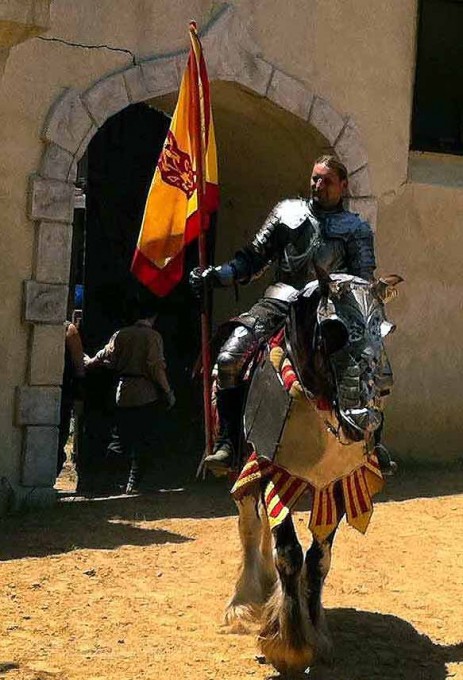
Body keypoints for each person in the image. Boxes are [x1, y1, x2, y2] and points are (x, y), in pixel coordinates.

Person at [190, 154, 395, 474]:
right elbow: (252, 259)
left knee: (375, 363)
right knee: (229, 359)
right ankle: (228, 444)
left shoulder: (357, 230)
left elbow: (361, 281)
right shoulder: (287, 212)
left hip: (331, 309)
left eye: (326, 180)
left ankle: (372, 441)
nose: (318, 185)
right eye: (315, 178)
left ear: (343, 185)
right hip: (279, 302)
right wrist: (216, 275)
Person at [84, 307, 175, 494]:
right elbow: (156, 367)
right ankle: (134, 483)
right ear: (154, 316)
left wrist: (90, 361)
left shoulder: (121, 334)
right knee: (143, 439)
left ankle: (106, 480)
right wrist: (168, 391)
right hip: (145, 392)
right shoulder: (152, 336)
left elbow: (105, 355)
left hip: (122, 390)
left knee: (119, 438)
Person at [57, 318, 85, 476]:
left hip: (64, 392)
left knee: (60, 435)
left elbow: (78, 367)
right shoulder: (69, 330)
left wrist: (78, 396)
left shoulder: (69, 330)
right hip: (62, 391)